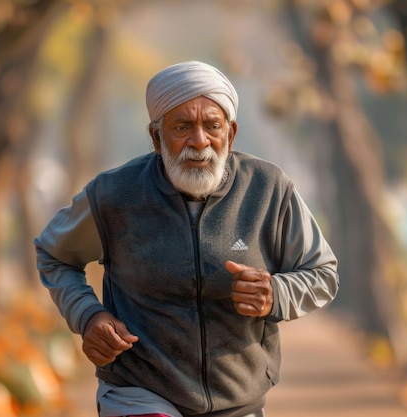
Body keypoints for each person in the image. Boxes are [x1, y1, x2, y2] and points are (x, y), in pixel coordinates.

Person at [34, 60, 339, 417]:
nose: (199, 142)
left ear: (231, 132)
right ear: (156, 137)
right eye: (182, 127)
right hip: (140, 390)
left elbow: (323, 272)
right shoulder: (114, 195)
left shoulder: (268, 190)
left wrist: (277, 293)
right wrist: (88, 315)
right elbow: (54, 254)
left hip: (238, 399)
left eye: (212, 126)